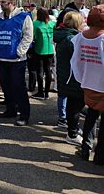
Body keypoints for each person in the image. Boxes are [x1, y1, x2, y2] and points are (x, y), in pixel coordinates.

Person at [0, 0, 33, 126]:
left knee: (18, 87)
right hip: (1, 58)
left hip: (17, 60)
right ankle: (11, 110)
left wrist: (19, 52)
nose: (0, 4)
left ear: (12, 3)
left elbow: (28, 36)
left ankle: (24, 114)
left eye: (3, 2)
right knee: (6, 86)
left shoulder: (23, 17)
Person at [71, 4, 104, 165]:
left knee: (91, 115)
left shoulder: (80, 37)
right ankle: (100, 155)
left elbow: (75, 61)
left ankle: (86, 148)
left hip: (88, 83)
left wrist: (82, 77)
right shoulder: (103, 38)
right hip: (101, 85)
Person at [54, 11, 84, 144]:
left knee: (74, 104)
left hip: (67, 75)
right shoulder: (70, 38)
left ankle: (74, 128)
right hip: (71, 76)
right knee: (75, 105)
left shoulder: (65, 35)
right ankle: (72, 133)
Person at [31, 7, 56, 100]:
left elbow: (33, 36)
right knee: (48, 71)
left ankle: (41, 92)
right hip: (50, 49)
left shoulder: (35, 23)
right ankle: (47, 93)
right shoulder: (51, 23)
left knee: (40, 71)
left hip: (39, 49)